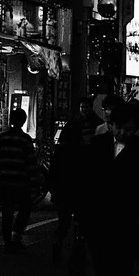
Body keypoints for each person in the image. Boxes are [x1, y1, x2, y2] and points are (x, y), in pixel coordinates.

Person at [78, 101, 139, 276]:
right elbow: (86, 178)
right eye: (119, 127)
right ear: (112, 125)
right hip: (97, 215)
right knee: (102, 263)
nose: (123, 133)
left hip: (125, 217)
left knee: (122, 265)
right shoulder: (97, 145)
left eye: (129, 129)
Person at [0, 108, 40, 251]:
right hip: (21, 181)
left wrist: (1, 168)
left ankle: (7, 240)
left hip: (5, 181)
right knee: (25, 208)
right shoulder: (25, 140)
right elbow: (31, 162)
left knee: (7, 211)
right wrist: (36, 181)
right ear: (24, 121)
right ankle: (16, 235)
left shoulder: (2, 137)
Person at [50, 98, 90, 264]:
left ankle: (57, 244)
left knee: (64, 221)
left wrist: (54, 191)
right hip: (79, 191)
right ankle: (77, 249)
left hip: (63, 192)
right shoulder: (83, 151)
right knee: (80, 221)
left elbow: (53, 173)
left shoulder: (60, 151)